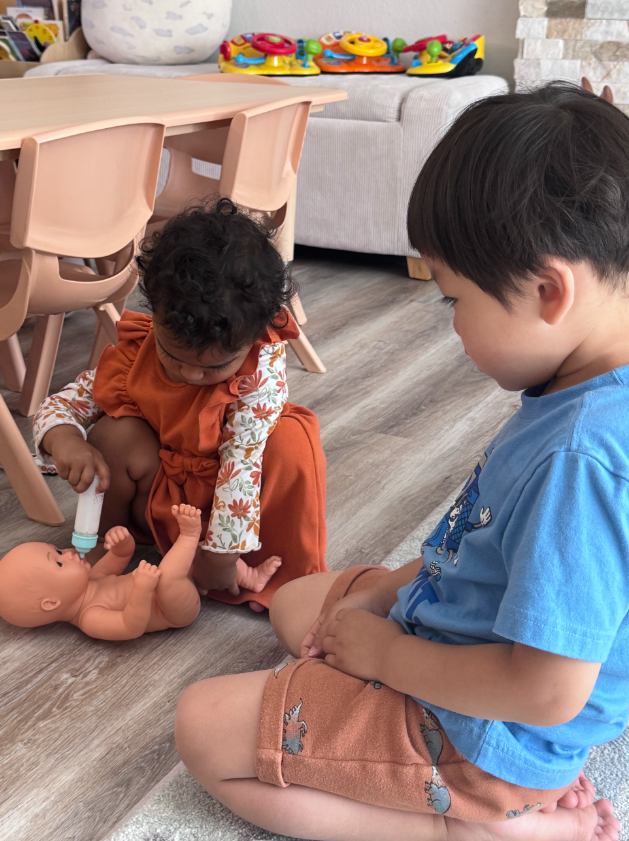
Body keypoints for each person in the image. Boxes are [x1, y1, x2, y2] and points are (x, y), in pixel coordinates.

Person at [173, 83, 626, 841]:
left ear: (550, 291)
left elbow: (546, 690)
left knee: (201, 726)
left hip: (484, 732)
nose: (453, 325)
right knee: (294, 604)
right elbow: (484, 541)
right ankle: (500, 795)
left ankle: (481, 823)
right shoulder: (585, 386)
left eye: (454, 300)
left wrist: (387, 654)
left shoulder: (582, 459)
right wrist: (386, 593)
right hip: (467, 645)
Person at [32, 199, 327, 611]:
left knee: (291, 444)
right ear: (154, 314)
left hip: (232, 500)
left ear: (257, 334)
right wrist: (64, 439)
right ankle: (106, 542)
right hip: (164, 499)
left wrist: (220, 557)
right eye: (172, 357)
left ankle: (240, 567)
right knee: (114, 433)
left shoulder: (258, 375)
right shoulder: (139, 350)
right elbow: (64, 404)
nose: (190, 375)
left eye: (214, 367)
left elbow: (241, 469)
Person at [0, 506, 281, 639]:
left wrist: (120, 544)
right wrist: (141, 591)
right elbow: (131, 627)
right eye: (58, 562)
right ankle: (189, 535)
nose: (67, 552)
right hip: (173, 612)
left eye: (57, 550)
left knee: (192, 561)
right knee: (170, 572)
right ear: (52, 603)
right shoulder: (90, 618)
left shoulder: (90, 581)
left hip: (167, 589)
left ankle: (249, 577)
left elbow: (120, 558)